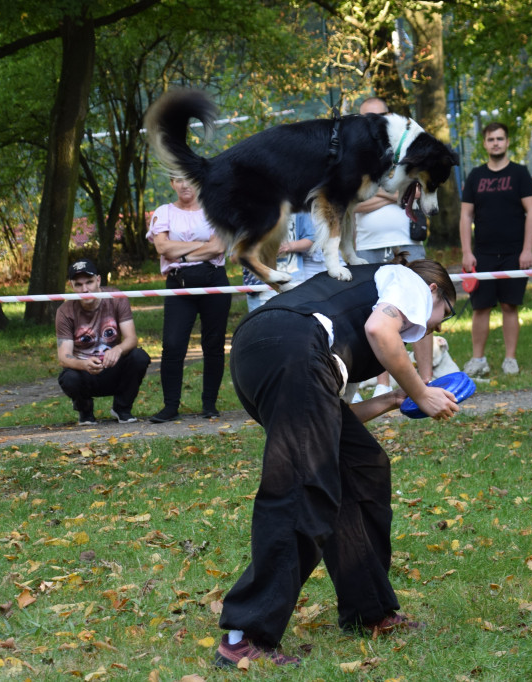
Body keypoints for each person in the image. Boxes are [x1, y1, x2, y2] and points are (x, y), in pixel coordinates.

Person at [211, 257, 459, 668]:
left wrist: (396, 399)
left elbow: (330, 413)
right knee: (302, 491)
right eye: (443, 316)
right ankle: (245, 635)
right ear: (434, 292)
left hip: (268, 351)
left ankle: (370, 610)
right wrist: (422, 390)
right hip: (292, 349)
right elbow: (381, 330)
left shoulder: (364, 297)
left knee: (361, 466)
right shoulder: (409, 281)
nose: (435, 328)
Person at [354, 96, 434, 394]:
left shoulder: (408, 151)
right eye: (366, 117)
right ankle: (383, 384)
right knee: (375, 313)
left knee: (421, 306)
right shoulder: (355, 156)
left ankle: (426, 379)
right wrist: (393, 193)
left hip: (406, 242)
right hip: (367, 245)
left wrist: (379, 194)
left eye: (379, 115)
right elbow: (354, 203)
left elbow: (418, 193)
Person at [146, 176, 232, 423]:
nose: (185, 184)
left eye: (190, 179)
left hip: (214, 280)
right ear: (171, 183)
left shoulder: (215, 208)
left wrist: (182, 254)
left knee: (214, 344)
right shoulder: (164, 212)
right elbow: (163, 248)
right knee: (172, 344)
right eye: (178, 179)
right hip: (178, 283)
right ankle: (170, 406)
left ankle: (209, 405)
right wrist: (200, 246)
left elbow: (217, 248)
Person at [459, 121, 532, 377]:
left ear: (507, 142)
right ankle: (478, 359)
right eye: (491, 139)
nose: (496, 143)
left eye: (500, 139)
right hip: (482, 254)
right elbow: (465, 216)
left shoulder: (520, 174)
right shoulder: (475, 176)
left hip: (514, 253)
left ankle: (510, 360)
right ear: (484, 143)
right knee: (480, 307)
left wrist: (527, 250)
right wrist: (466, 251)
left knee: (508, 306)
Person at [55, 258, 151, 425]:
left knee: (139, 356)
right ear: (71, 285)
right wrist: (84, 364)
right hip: (85, 372)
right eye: (78, 285)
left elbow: (132, 339)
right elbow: (64, 357)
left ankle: (122, 408)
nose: (85, 289)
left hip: (113, 368)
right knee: (68, 377)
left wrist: (118, 350)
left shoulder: (116, 297)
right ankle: (85, 411)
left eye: (90, 282)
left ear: (98, 280)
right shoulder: (65, 311)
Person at [242, 212, 311, 311]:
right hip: (260, 284)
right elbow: (235, 255)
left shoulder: (297, 206)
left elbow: (310, 237)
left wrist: (288, 246)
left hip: (294, 278)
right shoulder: (245, 209)